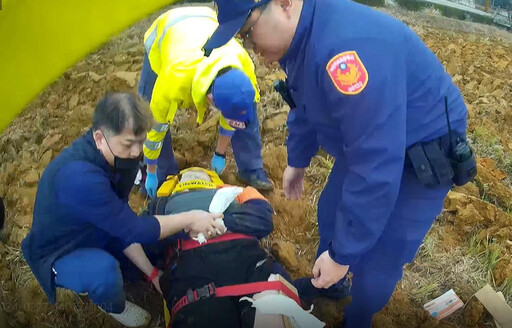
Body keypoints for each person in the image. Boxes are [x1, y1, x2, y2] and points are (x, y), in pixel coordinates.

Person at [203, 1, 476, 327]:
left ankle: (358, 317)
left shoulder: (343, 52)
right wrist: (298, 160)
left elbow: (376, 166)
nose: (250, 48)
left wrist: (343, 255)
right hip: (374, 135)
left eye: (248, 33)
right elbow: (303, 99)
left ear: (284, 4)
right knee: (333, 212)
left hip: (422, 151)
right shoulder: (301, 38)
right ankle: (332, 285)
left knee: (379, 258)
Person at [21, 93, 224, 328]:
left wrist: (151, 274)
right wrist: (190, 218)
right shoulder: (78, 178)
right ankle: (114, 305)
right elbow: (133, 230)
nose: (137, 152)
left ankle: (134, 271)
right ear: (99, 138)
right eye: (129, 144)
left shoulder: (118, 156)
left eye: (141, 142)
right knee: (104, 272)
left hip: (99, 226)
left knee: (157, 245)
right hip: (62, 250)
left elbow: (123, 222)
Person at [146, 167, 350, 328]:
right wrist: (220, 221)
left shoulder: (162, 205)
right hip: (250, 267)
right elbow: (261, 220)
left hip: (196, 280)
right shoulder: (238, 194)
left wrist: (190, 226)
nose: (193, 174)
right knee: (273, 308)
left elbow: (147, 240)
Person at [138, 6, 274, 198]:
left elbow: (234, 113)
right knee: (146, 109)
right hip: (167, 30)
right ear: (210, 99)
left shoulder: (244, 68)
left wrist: (220, 153)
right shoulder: (174, 78)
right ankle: (163, 173)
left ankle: (251, 169)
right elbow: (155, 126)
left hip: (207, 21)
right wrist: (151, 171)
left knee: (241, 106)